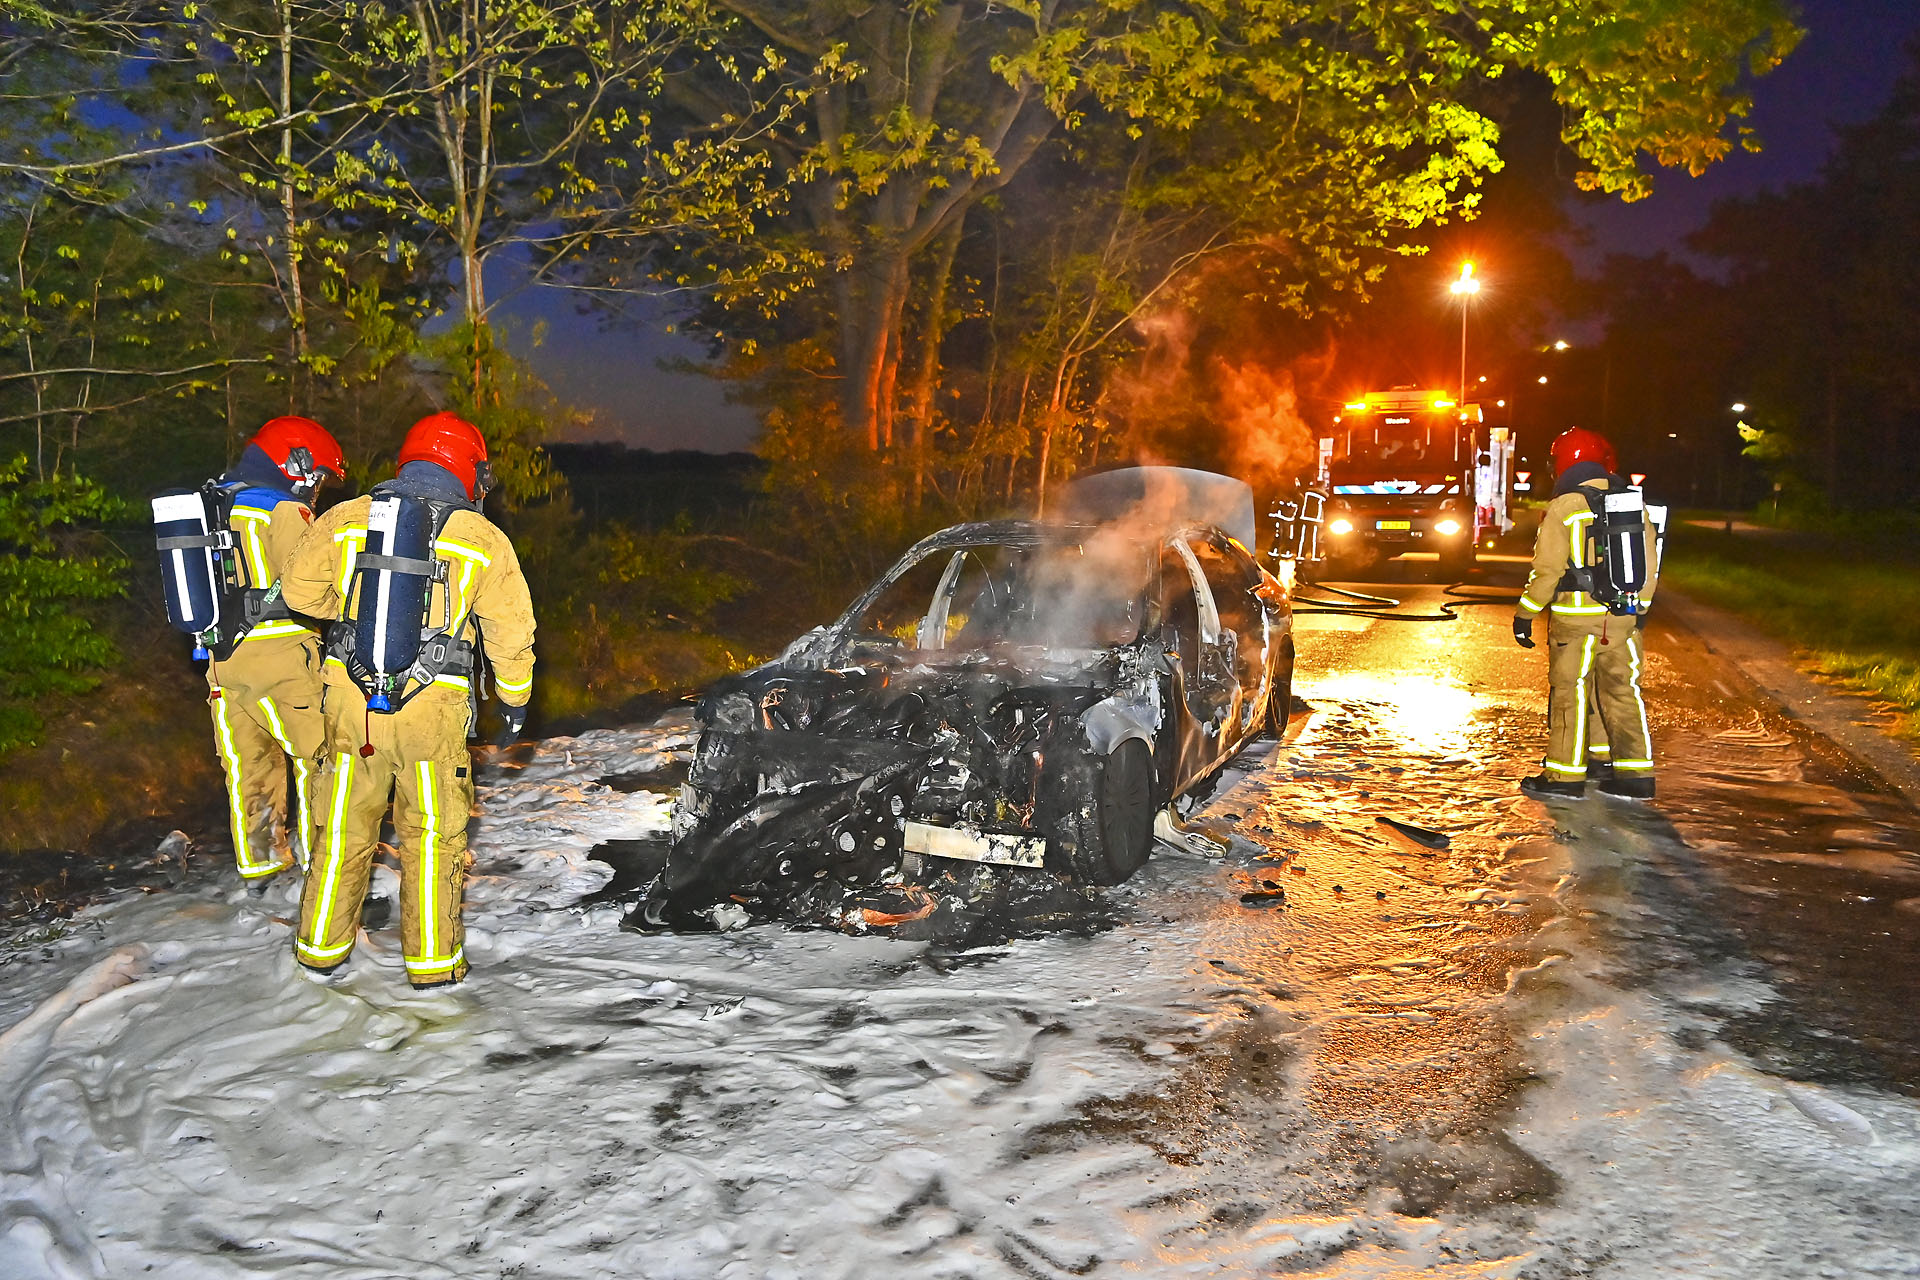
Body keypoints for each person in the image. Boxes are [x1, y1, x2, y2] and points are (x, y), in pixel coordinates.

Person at [280, 412, 535, 987]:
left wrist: (351, 612)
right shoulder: (484, 539)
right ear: (470, 470)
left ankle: (319, 952)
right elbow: (511, 632)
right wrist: (514, 700)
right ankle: (432, 969)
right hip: (433, 710)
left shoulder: (347, 517)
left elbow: (298, 592)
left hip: (350, 701)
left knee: (342, 827)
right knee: (431, 834)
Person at [199, 416, 346, 888]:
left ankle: (260, 872)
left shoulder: (216, 503)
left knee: (249, 768)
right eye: (318, 475)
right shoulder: (282, 511)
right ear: (295, 462)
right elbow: (311, 585)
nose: (318, 487)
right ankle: (324, 868)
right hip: (281, 660)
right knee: (318, 759)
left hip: (222, 663)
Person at [1512, 426, 1658, 801]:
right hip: (1624, 619)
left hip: (1575, 620)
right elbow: (1650, 565)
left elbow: (1547, 570)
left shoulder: (1563, 507)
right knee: (1622, 692)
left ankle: (1564, 777)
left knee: (1570, 694)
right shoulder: (1630, 503)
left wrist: (1526, 613)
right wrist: (1638, 609)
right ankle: (1633, 774)